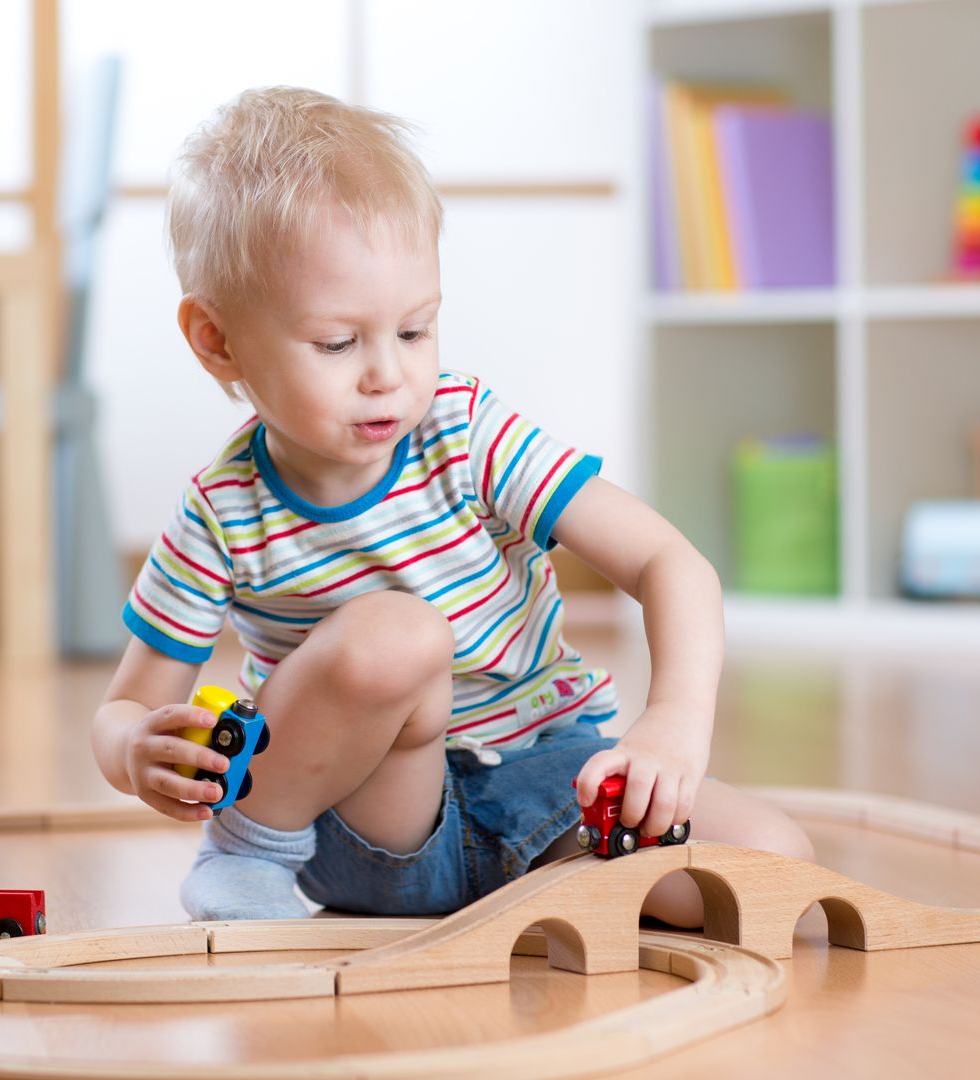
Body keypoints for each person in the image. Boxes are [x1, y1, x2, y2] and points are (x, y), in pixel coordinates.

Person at [91, 86, 814, 925]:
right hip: (364, 825)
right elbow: (127, 707)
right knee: (399, 633)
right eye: (336, 343)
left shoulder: (468, 434)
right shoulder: (222, 508)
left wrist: (673, 726)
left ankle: (527, 892)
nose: (386, 374)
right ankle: (249, 850)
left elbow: (670, 564)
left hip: (548, 780)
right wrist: (134, 751)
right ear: (217, 339)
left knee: (772, 867)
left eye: (414, 330)